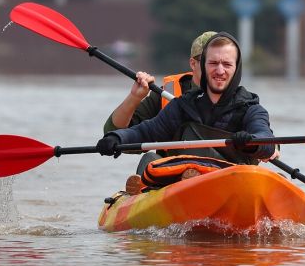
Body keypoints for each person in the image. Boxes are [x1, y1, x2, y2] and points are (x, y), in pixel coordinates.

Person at [96, 32, 276, 185]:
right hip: (181, 178)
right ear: (200, 66)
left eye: (227, 64)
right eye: (213, 63)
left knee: (268, 178)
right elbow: (146, 131)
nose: (220, 71)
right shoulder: (182, 106)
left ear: (237, 69)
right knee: (151, 160)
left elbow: (266, 140)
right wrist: (116, 137)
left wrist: (252, 143)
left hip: (232, 180)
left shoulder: (251, 109)